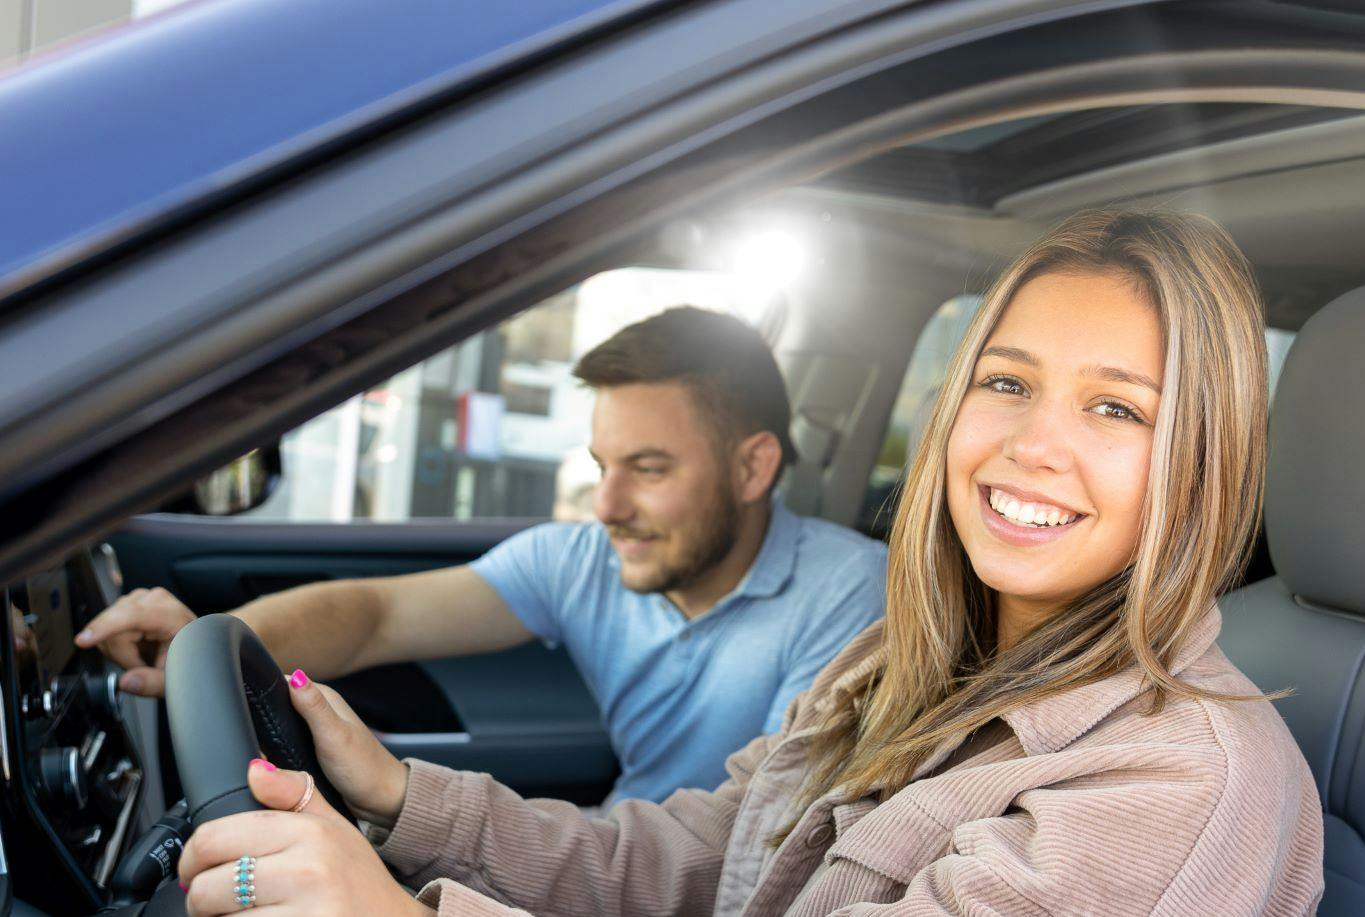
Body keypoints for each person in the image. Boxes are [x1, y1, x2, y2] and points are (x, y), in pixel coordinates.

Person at [176, 209, 1325, 917]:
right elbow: (711, 858)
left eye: (1117, 407)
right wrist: (409, 802)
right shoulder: (912, 658)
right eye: (1007, 381)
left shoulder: (1181, 783)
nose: (1033, 442)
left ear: (1203, 464)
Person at [76, 307, 887, 806]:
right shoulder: (582, 562)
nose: (606, 507)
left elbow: (759, 831)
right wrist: (211, 648)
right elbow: (375, 616)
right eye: (603, 468)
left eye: (649, 469)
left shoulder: (848, 596)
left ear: (753, 468)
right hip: (615, 863)